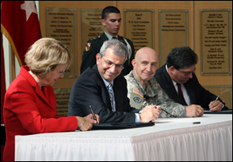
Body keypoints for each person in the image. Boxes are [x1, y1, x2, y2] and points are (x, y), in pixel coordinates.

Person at [3, 38, 99, 161]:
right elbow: (37, 126)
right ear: (46, 68)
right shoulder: (19, 88)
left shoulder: (46, 86)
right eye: (60, 71)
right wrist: (75, 121)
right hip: (22, 155)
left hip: (41, 153)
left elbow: (50, 121)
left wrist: (83, 120)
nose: (62, 76)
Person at [68, 39, 161, 123]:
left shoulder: (120, 80)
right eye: (109, 63)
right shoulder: (86, 82)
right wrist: (139, 117)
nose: (113, 70)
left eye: (119, 65)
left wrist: (144, 111)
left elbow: (124, 111)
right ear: (98, 59)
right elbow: (101, 116)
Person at [125, 47, 204, 118]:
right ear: (134, 63)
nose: (149, 69)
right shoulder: (127, 84)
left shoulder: (152, 81)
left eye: (153, 64)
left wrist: (186, 110)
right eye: (144, 63)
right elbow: (144, 113)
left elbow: (167, 103)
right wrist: (183, 112)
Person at [154, 46, 228, 111]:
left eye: (192, 72)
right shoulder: (156, 81)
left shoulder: (189, 77)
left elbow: (204, 96)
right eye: (186, 73)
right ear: (172, 69)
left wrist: (217, 104)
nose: (190, 76)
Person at [80, 6, 135, 76]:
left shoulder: (127, 43)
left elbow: (131, 70)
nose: (117, 24)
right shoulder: (95, 44)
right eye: (113, 21)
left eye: (119, 20)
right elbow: (86, 71)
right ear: (103, 22)